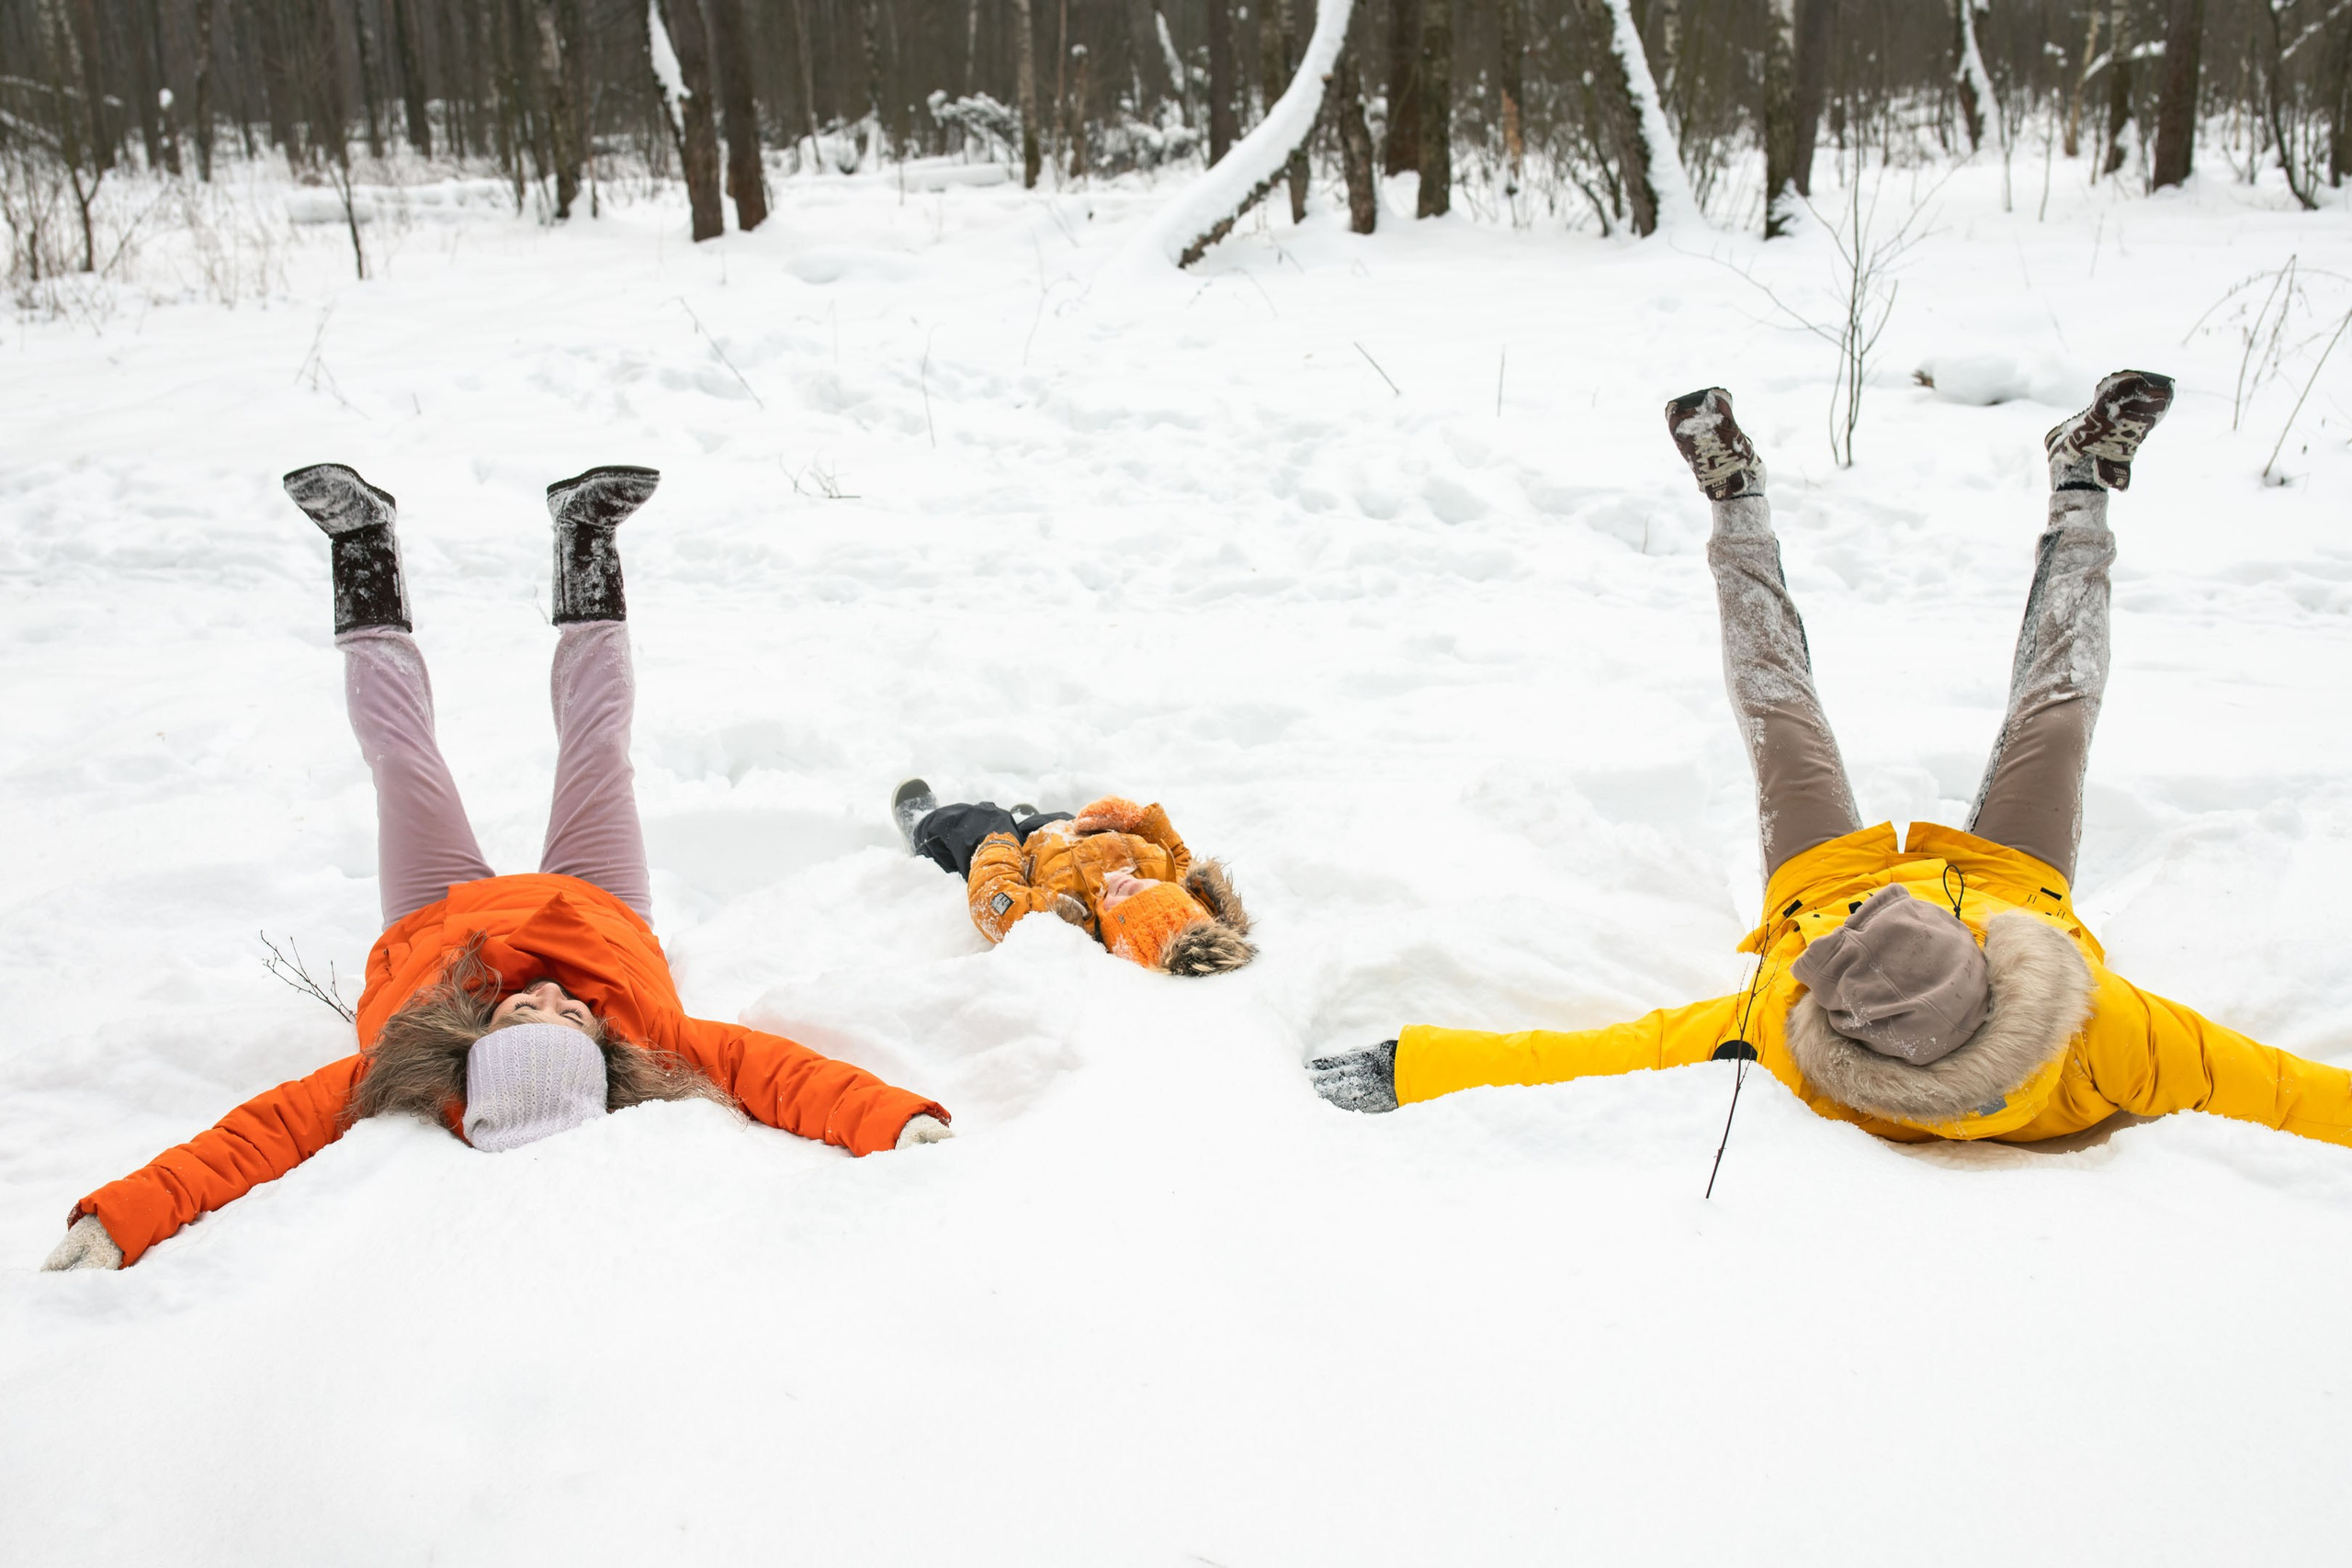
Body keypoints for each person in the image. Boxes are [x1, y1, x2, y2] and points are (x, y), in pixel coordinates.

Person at [1309, 373, 2352, 1156]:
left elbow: (1586, 1057)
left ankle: (1736, 504)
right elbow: (2281, 1088)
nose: (1897, 895)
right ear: (1985, 961)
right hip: (2017, 886)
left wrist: (1404, 1068)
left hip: (1818, 878)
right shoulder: (2101, 1029)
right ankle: (2081, 483)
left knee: (1781, 710)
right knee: (2059, 709)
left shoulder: (1784, 1031)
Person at [43, 463, 951, 1272]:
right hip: (594, 904)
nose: (550, 996)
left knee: (404, 761)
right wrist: (896, 1121)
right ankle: (584, 536)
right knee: (599, 748)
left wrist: (119, 1221)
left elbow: (262, 1136)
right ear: (605, 1049)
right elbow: (783, 1077)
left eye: (523, 1013)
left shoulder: (402, 1055)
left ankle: (361, 543)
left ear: (472, 1041)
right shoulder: (653, 1038)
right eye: (571, 1018)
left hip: (434, 915)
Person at [891, 782, 1256, 976]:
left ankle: (923, 829)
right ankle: (1028, 820)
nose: (1127, 882)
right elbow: (1178, 852)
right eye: (1145, 887)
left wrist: (998, 845)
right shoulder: (1172, 880)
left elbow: (995, 895)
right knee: (1054, 817)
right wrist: (1138, 821)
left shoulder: (1068, 915)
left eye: (1124, 902)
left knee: (978, 820)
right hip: (1068, 831)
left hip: (1021, 855)